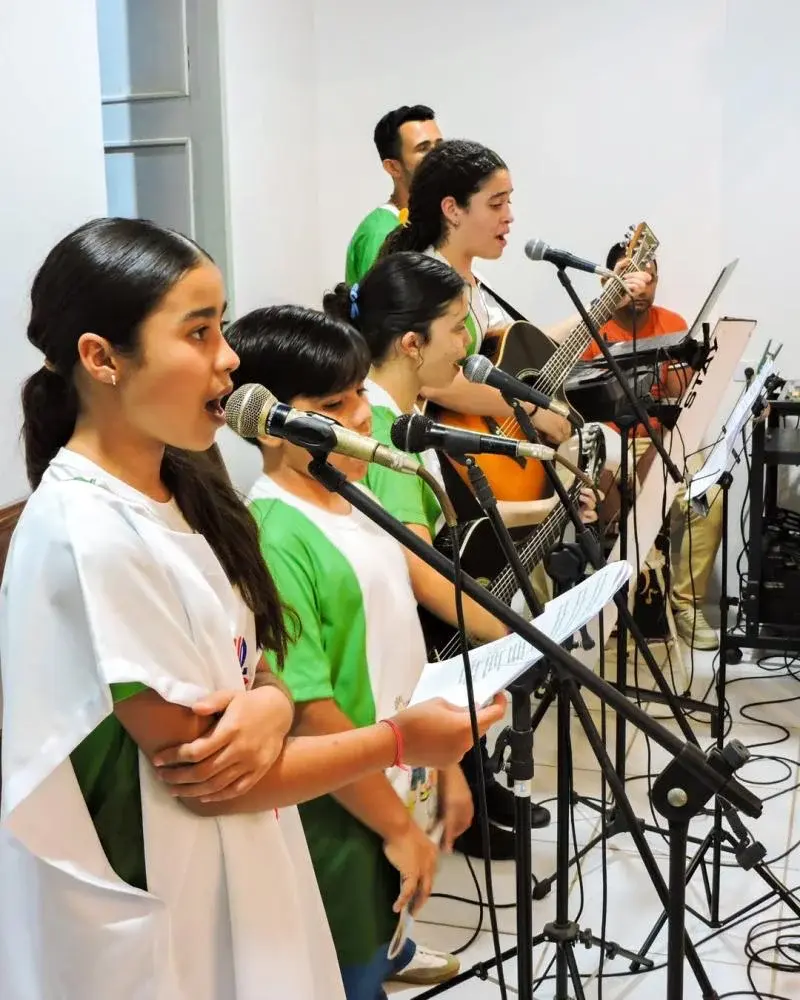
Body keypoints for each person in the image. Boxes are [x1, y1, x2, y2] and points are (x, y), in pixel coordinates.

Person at [0, 217, 506, 1000]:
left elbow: (244, 652)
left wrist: (269, 702)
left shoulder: (183, 484)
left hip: (244, 867)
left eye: (223, 326)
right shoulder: (88, 533)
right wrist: (402, 739)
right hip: (165, 908)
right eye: (199, 333)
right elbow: (215, 777)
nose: (230, 360)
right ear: (101, 358)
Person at [224, 304, 468, 997]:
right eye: (334, 403)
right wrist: (399, 829)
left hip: (395, 781)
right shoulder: (275, 531)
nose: (362, 417)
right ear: (269, 424)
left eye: (360, 391)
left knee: (381, 944)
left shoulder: (353, 493)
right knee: (346, 970)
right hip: (342, 812)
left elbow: (399, 644)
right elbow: (310, 709)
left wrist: (443, 768)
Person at [323, 252, 598, 858]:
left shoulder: (402, 410)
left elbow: (453, 528)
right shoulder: (387, 424)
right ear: (414, 343)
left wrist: (560, 507)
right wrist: (517, 631)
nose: (468, 342)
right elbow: (422, 573)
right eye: (457, 326)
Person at [380, 139, 652, 449]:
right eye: (496, 204)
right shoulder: (425, 280)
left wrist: (607, 302)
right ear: (452, 209)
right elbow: (432, 382)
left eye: (509, 202)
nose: (509, 216)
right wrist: (531, 409)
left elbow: (528, 345)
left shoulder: (473, 280)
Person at [584, 242, 722, 650]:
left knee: (709, 498)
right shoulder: (592, 328)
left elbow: (684, 401)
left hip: (663, 444)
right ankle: (600, 608)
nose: (641, 286)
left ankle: (686, 605)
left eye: (651, 276)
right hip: (609, 446)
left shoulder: (674, 323)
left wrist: (687, 380)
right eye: (630, 273)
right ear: (607, 279)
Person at [345, 104, 442, 285]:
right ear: (393, 167)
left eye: (440, 145)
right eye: (423, 148)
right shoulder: (380, 234)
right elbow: (383, 309)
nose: (439, 156)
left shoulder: (433, 223)